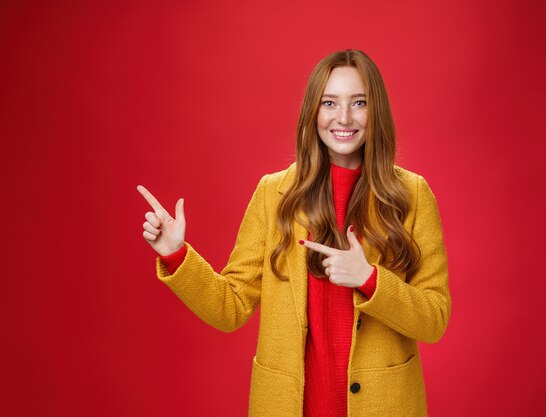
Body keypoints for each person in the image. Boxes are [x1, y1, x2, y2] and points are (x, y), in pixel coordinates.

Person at [137, 49, 451, 417]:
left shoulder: (412, 195)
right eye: (329, 102)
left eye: (359, 102)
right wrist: (176, 255)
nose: (344, 117)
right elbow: (231, 306)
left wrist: (369, 279)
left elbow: (435, 319)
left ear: (376, 110)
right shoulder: (273, 193)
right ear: (313, 112)